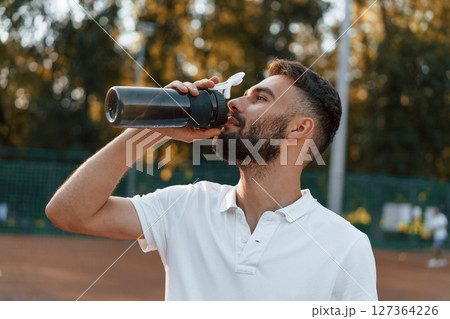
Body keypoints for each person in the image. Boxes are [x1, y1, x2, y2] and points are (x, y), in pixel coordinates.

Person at [46, 59, 378, 301]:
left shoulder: (345, 247)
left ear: (299, 128)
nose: (234, 102)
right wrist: (152, 126)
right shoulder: (186, 205)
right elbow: (69, 212)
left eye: (260, 98)